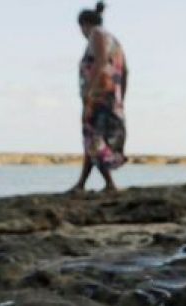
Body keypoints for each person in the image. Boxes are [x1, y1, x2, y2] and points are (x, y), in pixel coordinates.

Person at [71, 2, 128, 194]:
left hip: (98, 97)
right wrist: (121, 99)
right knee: (94, 138)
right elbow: (126, 72)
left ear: (84, 24)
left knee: (93, 138)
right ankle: (83, 183)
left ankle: (107, 183)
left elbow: (102, 61)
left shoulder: (97, 35)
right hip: (110, 98)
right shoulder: (115, 42)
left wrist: (90, 91)